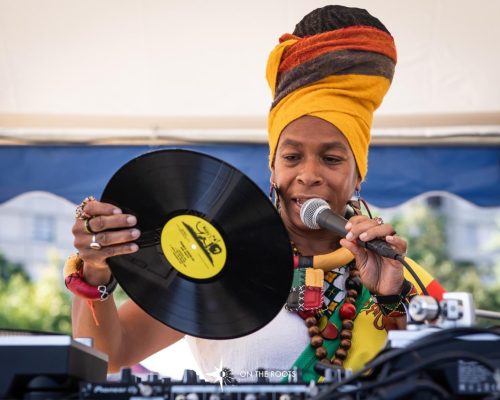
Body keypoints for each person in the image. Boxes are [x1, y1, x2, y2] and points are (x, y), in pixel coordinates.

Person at [68, 5, 445, 383]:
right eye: (292, 157)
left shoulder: (399, 274)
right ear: (273, 169)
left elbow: (446, 374)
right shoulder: (216, 259)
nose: (308, 175)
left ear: (358, 175)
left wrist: (392, 296)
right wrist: (97, 269)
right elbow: (110, 355)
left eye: (331, 159)